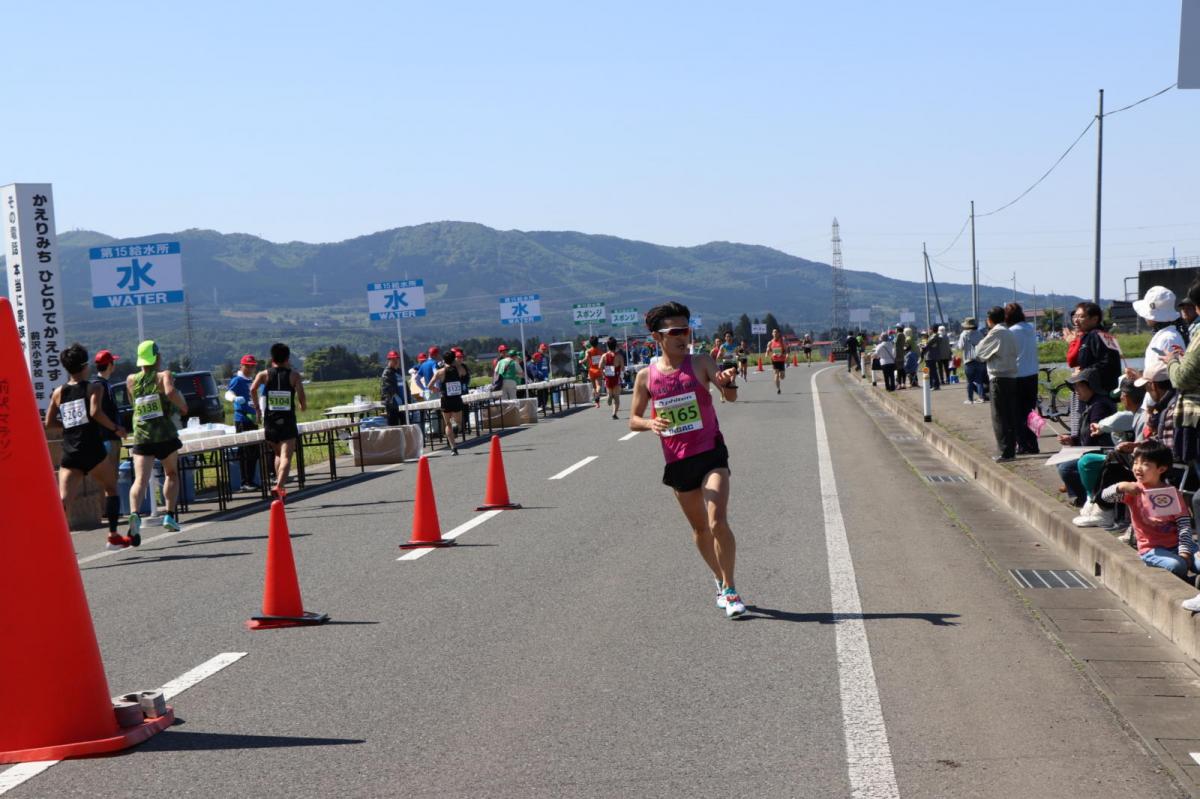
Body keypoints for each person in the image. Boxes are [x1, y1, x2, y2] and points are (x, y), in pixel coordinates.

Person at [628, 301, 745, 618]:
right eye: (675, 331)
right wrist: (650, 423)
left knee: (717, 520)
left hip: (711, 453)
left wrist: (728, 381)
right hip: (678, 462)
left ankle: (732, 590)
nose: (683, 336)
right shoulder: (645, 377)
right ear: (657, 337)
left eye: (687, 329)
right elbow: (633, 419)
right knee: (699, 531)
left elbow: (729, 397)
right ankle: (720, 581)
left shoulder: (701, 362)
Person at [45, 343, 128, 551]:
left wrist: (68, 426)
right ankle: (113, 535)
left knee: (64, 499)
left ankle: (60, 544)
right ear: (85, 366)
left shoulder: (58, 392)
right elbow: (95, 413)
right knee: (111, 488)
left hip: (70, 451)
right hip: (93, 450)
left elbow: (49, 422)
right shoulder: (94, 387)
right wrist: (116, 428)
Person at [1100, 440, 1195, 580]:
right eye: (1136, 462)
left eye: (1145, 464)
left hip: (1179, 544)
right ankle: (1191, 582)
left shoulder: (1171, 492)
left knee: (1190, 560)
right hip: (1151, 549)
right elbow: (1105, 498)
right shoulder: (1133, 490)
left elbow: (1184, 523)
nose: (1138, 468)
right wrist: (1120, 486)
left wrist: (1185, 551)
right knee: (1177, 565)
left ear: (1161, 469)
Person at [125, 340, 188, 537]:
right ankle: (169, 515)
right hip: (164, 435)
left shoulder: (131, 380)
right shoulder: (164, 375)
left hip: (142, 435)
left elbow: (132, 402)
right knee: (171, 474)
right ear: (157, 357)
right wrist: (183, 407)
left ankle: (135, 514)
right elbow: (169, 392)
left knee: (140, 480)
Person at [250, 342, 307, 498]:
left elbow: (252, 389)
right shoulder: (294, 375)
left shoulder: (263, 374)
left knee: (277, 455)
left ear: (272, 357)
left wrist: (257, 408)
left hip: (270, 420)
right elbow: (301, 394)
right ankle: (279, 486)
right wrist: (303, 405)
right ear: (287, 358)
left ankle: (279, 484)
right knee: (286, 456)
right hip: (287, 419)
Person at [1053, 368, 1116, 507]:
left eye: (1079, 386)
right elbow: (1086, 434)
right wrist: (1072, 440)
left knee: (1066, 468)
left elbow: (1093, 434)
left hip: (1100, 450)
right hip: (1088, 448)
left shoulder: (1099, 406)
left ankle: (1086, 498)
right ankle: (1080, 495)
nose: (1076, 390)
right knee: (1061, 462)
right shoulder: (1091, 403)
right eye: (1074, 387)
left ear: (1090, 387)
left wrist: (1077, 446)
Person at [975, 306, 1020, 461]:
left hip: (998, 377)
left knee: (999, 416)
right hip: (1012, 376)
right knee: (1010, 415)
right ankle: (1011, 449)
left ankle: (1005, 452)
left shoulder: (995, 332)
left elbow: (979, 353)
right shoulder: (1009, 332)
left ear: (990, 320)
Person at [1006, 304, 1041, 455]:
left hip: (1018, 375)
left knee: (1017, 413)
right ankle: (1033, 444)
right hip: (1032, 374)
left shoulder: (1011, 332)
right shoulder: (1030, 328)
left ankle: (1023, 445)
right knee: (1030, 412)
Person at [228, 354, 261, 492]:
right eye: (248, 366)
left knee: (254, 451)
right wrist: (235, 399)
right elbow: (228, 393)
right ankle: (245, 481)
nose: (250, 368)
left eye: (252, 366)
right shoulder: (238, 380)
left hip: (251, 418)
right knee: (245, 451)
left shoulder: (250, 380)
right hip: (242, 419)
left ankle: (251, 480)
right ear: (242, 365)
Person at [91, 348, 124, 471]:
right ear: (110, 365)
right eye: (113, 362)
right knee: (111, 478)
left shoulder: (96, 384)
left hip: (102, 437)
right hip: (108, 437)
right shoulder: (101, 385)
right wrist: (116, 428)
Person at [433, 348, 470, 455]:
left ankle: (453, 448)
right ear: (453, 360)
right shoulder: (459, 369)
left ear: (444, 360)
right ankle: (455, 428)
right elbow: (465, 374)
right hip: (456, 399)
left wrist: (435, 389)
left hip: (445, 399)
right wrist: (456, 364)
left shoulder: (440, 371)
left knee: (447, 423)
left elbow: (430, 385)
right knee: (458, 423)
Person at [956, 318, 988, 404]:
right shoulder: (979, 333)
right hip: (979, 360)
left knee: (969, 381)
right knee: (979, 380)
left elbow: (960, 347)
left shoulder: (964, 334)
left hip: (968, 360)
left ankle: (970, 399)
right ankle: (982, 398)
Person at [601, 336, 627, 419]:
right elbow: (623, 368)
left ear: (608, 346)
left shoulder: (604, 355)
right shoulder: (619, 356)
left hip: (608, 376)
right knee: (616, 397)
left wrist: (603, 375)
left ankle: (609, 395)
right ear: (615, 345)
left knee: (610, 392)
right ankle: (614, 413)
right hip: (616, 376)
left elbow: (600, 366)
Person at [380, 350, 404, 426]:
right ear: (389, 361)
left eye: (397, 359)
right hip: (392, 404)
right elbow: (388, 389)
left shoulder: (399, 371)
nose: (396, 361)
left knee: (405, 425)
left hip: (402, 404)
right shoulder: (387, 373)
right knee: (394, 426)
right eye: (393, 360)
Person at [584, 336, 604, 408]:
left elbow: (586, 359)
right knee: (599, 386)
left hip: (591, 370)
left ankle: (596, 402)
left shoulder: (588, 351)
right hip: (598, 369)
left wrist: (581, 361)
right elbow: (603, 361)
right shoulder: (600, 351)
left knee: (594, 387)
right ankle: (597, 396)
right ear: (597, 342)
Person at [767, 329, 787, 393]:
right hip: (774, 360)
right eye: (774, 332)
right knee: (776, 374)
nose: (775, 333)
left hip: (781, 360)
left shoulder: (782, 341)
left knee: (782, 376)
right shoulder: (770, 342)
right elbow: (768, 351)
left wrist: (784, 354)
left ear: (778, 334)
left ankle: (781, 376)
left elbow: (785, 350)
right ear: (772, 334)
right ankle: (778, 388)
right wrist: (769, 354)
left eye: (776, 332)